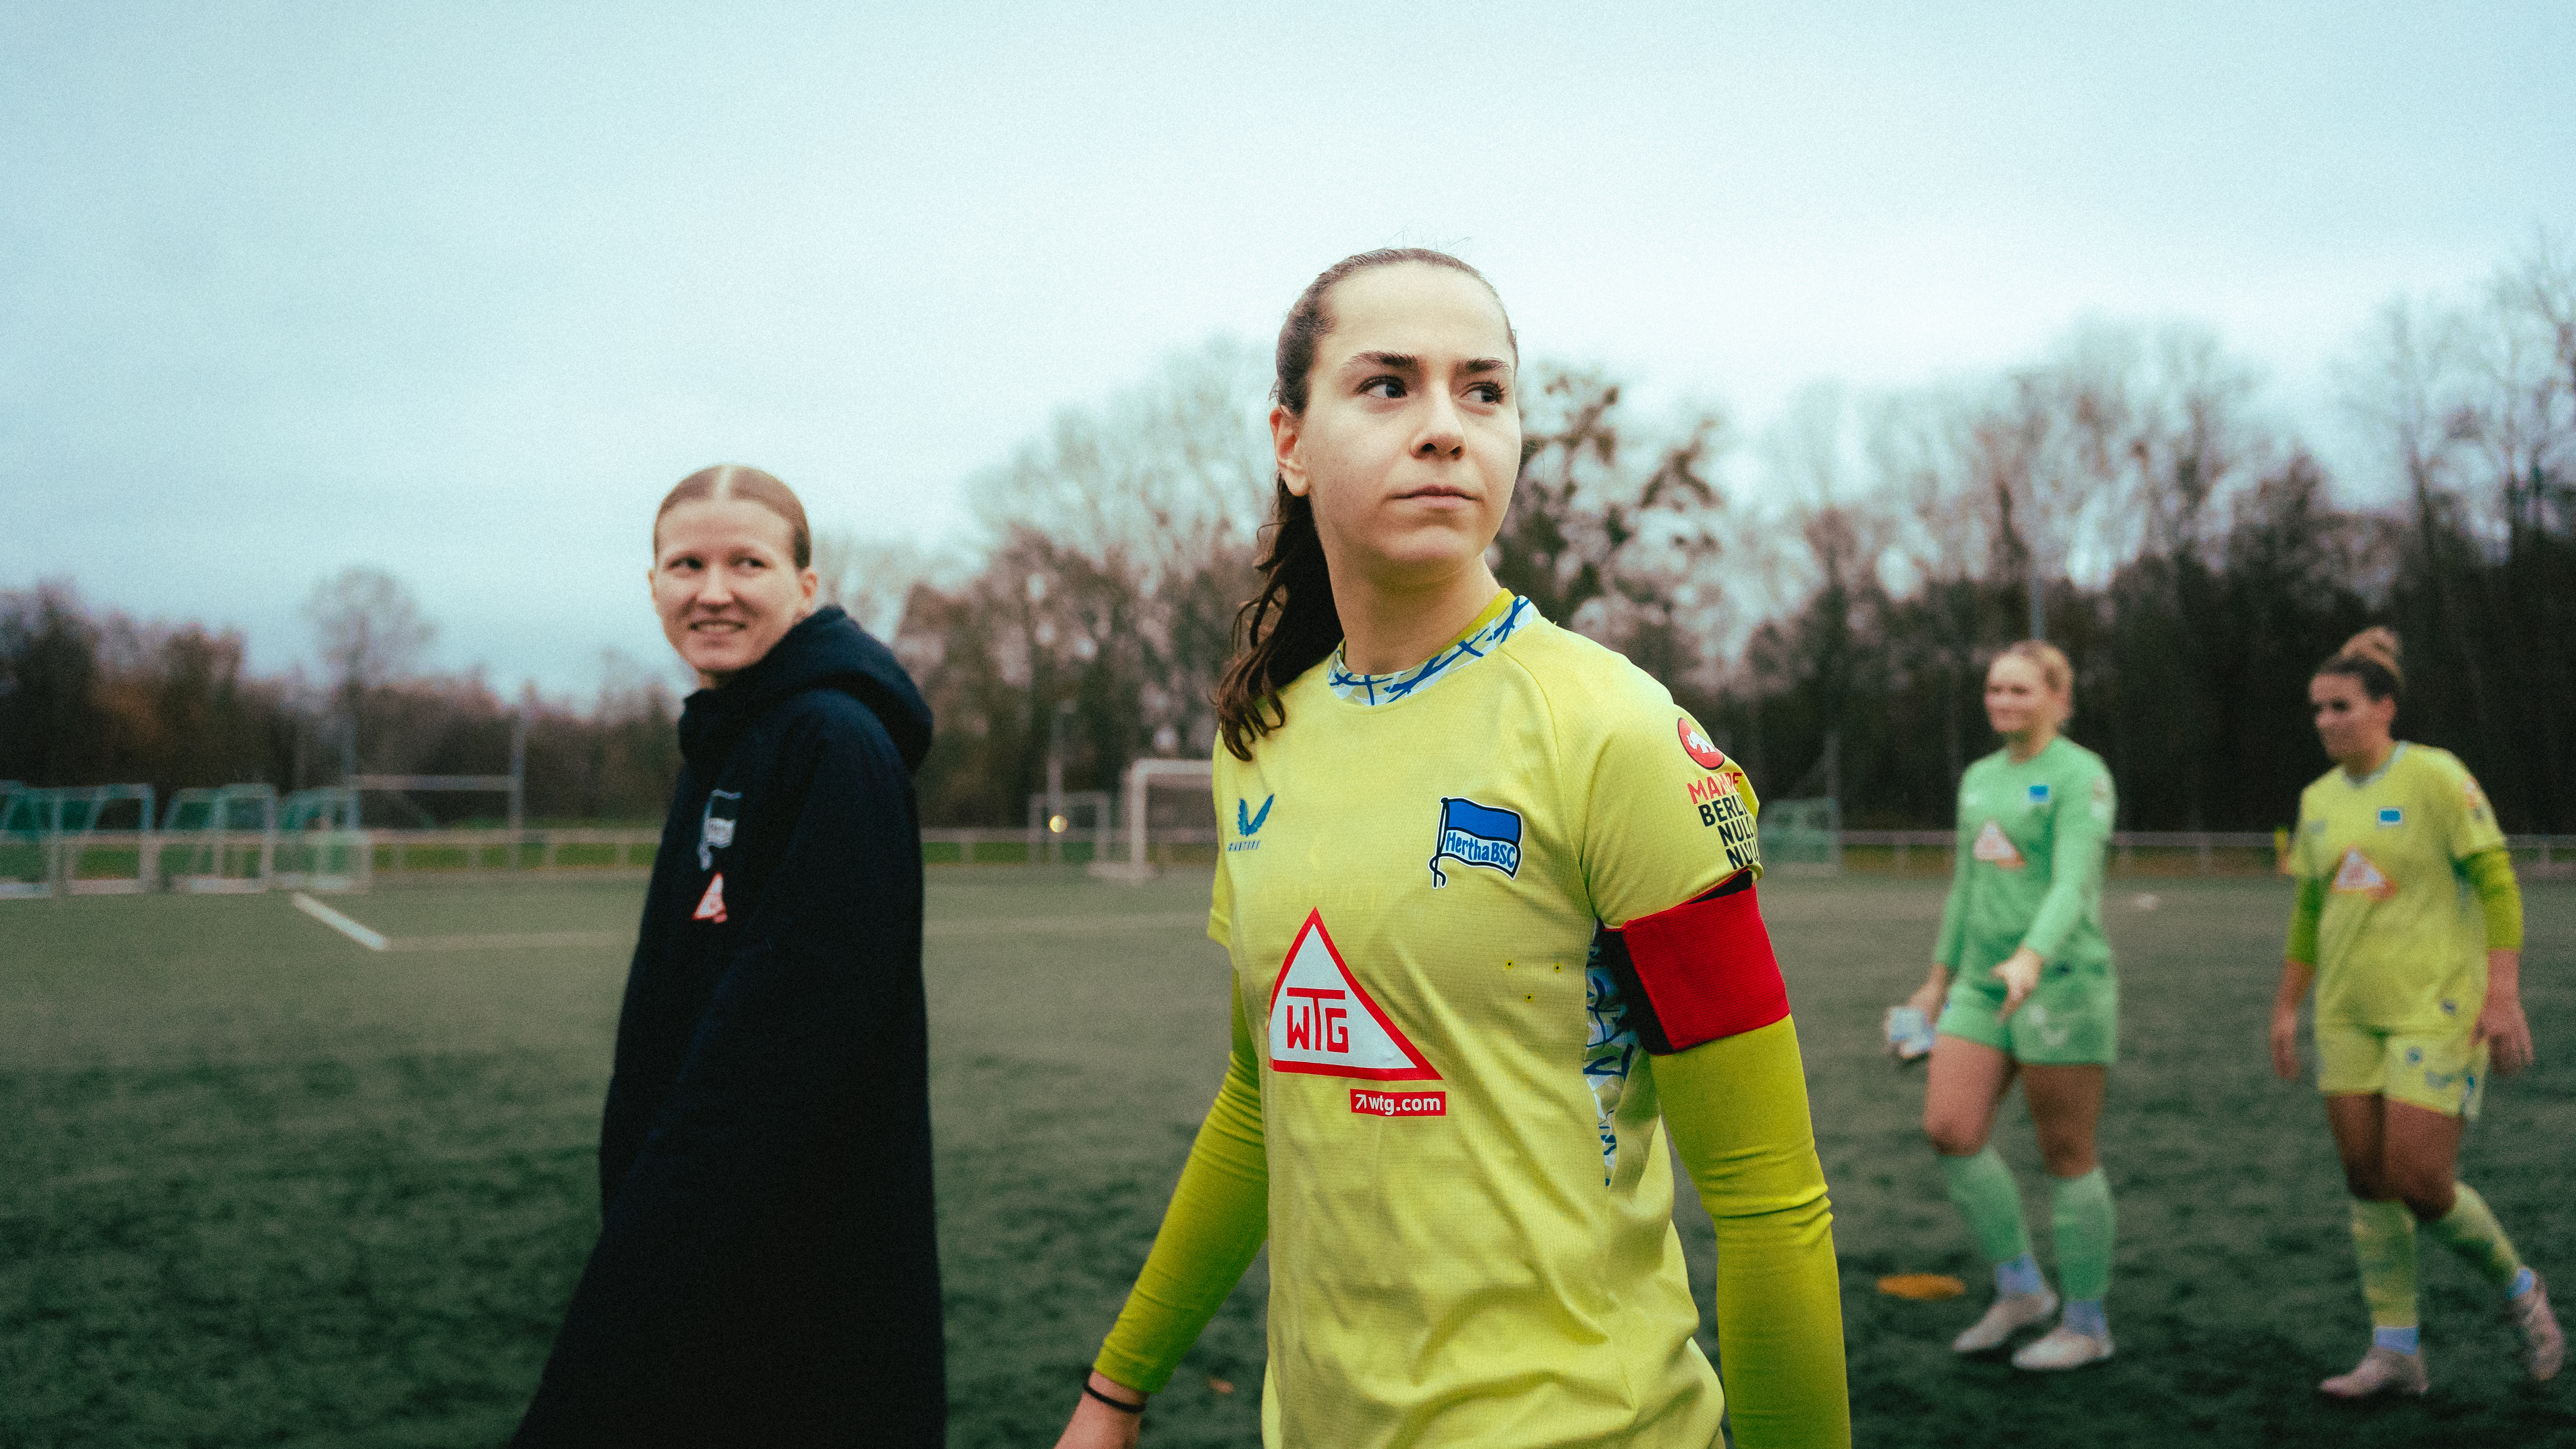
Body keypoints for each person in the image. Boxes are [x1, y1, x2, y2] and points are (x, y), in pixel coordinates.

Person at [1052, 249, 1849, 1449]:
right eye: (1387, 386)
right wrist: (1117, 1386)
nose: (1444, 427)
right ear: (1290, 439)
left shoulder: (1614, 732)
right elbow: (1256, 1099)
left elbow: (1768, 1198)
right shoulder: (1259, 741)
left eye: (1482, 391)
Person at [511, 464, 944, 1447]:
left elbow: (778, 1059)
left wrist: (633, 1294)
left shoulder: (831, 743)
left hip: (798, 1284)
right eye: (686, 564)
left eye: (746, 562)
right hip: (714, 1263)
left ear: (805, 585)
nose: (712, 590)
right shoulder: (727, 737)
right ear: (653, 585)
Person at [2268, 626, 2562, 1396]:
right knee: (2366, 1179)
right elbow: (2308, 912)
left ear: (2385, 708)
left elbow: (2498, 884)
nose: (2327, 721)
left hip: (2436, 1010)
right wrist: (2286, 1007)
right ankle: (2396, 1351)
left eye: (2342, 707)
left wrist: (2502, 995)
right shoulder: (2318, 800)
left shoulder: (2436, 777)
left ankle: (2521, 1291)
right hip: (2346, 1015)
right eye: (2317, 710)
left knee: (2421, 1180)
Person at [1898, 640, 2120, 1370]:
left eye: (2021, 691)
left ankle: (2087, 1325)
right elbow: (1965, 887)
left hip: (2061, 982)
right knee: (1950, 1128)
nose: (2004, 703)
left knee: (2066, 1153)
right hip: (1979, 984)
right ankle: (2022, 1290)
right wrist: (1936, 982)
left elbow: (2073, 883)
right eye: (1995, 690)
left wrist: (2033, 956)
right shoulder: (1979, 779)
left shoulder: (2081, 776)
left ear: (2059, 697)